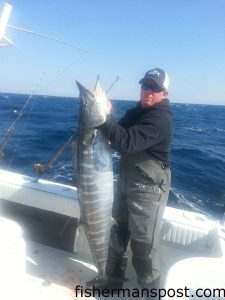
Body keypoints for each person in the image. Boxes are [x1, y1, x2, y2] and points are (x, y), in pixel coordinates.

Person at [87, 68, 173, 291]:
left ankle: (149, 294)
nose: (148, 90)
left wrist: (104, 118)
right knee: (117, 231)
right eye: (145, 85)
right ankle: (112, 282)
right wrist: (99, 119)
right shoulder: (138, 111)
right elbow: (116, 132)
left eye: (155, 87)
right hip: (127, 180)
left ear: (164, 92)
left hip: (149, 188)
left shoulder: (160, 119)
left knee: (144, 245)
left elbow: (126, 142)